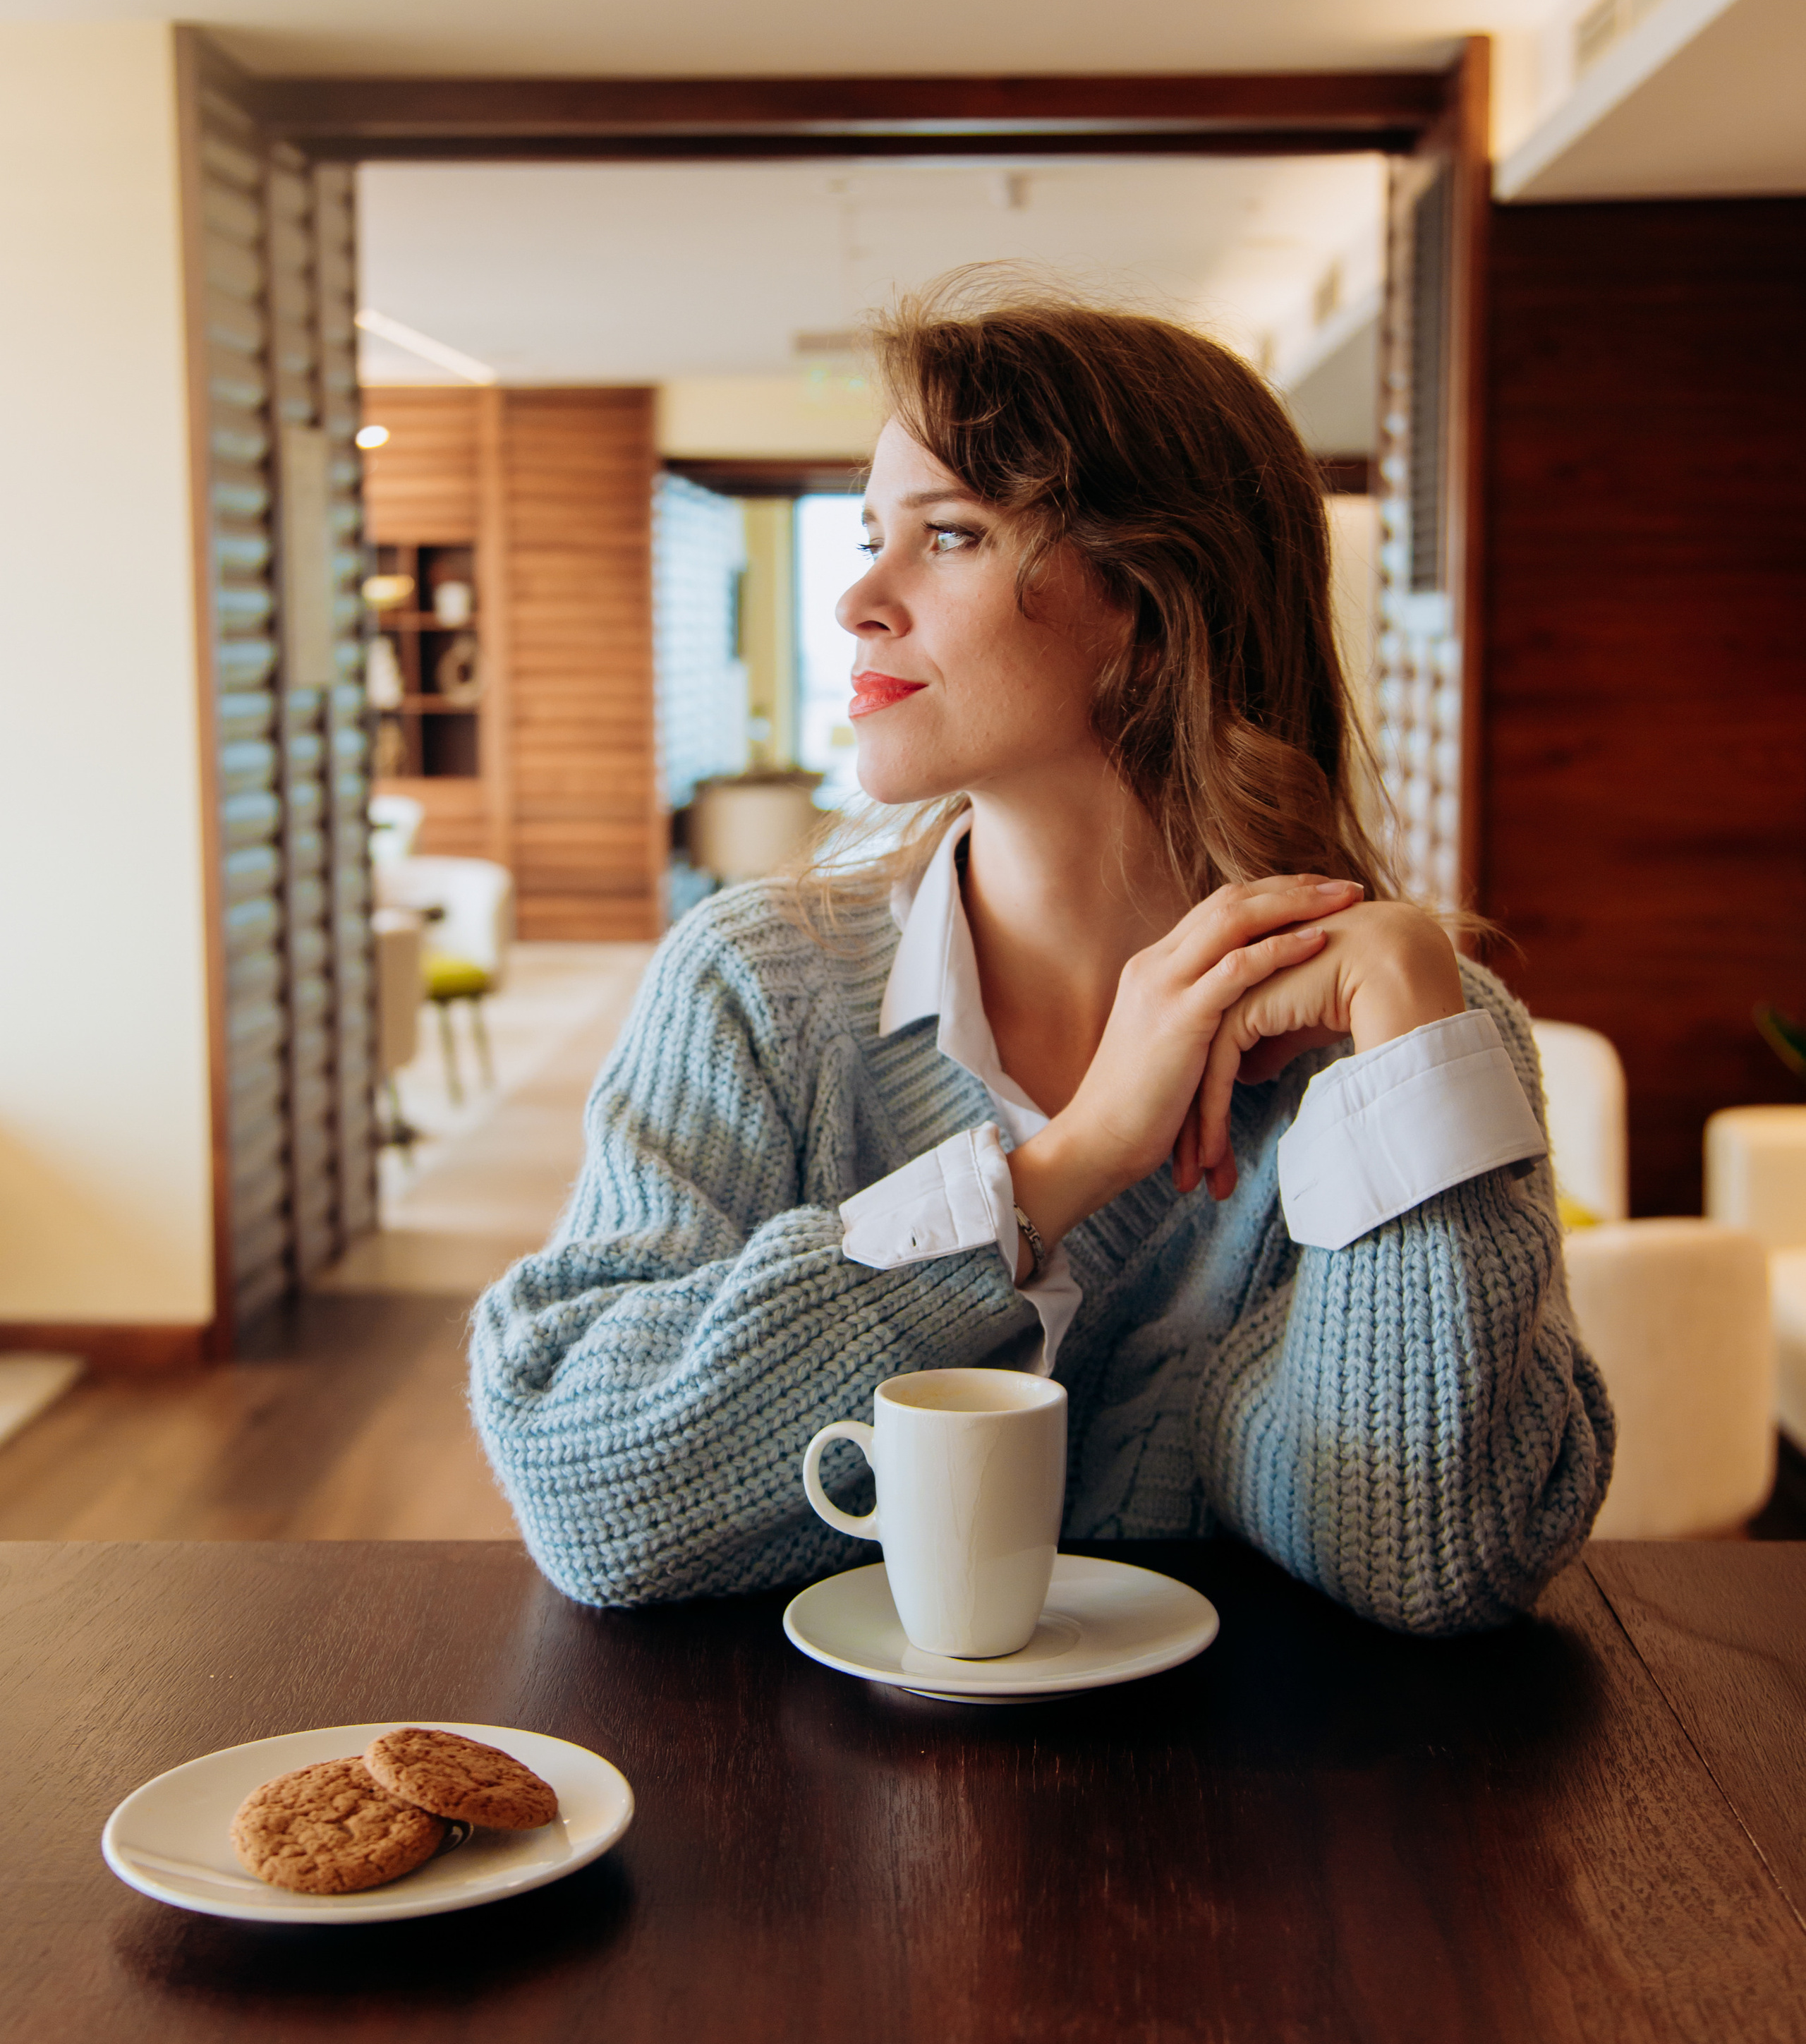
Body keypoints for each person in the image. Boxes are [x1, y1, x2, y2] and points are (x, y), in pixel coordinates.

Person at [469, 285, 1611, 1634]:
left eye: (949, 535)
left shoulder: (1410, 1045)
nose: (857, 602)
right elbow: (584, 1490)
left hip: (1260, 1817)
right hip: (808, 1808)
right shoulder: (754, 986)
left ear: (1151, 601)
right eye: (870, 537)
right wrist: (1048, 1181)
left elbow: (1433, 1557)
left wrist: (1416, 1010)